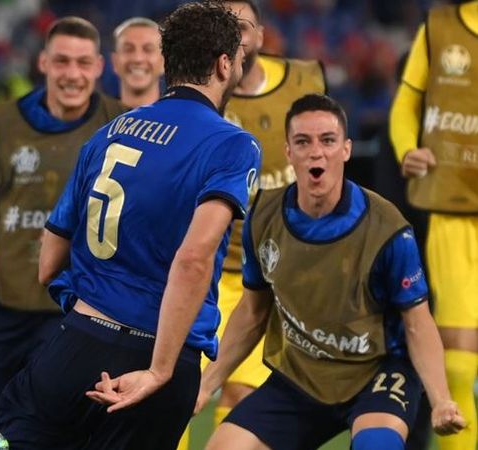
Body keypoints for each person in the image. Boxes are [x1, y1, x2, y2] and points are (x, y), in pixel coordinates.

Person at [0, 3, 258, 449]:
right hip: (153, 355)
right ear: (224, 63)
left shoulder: (113, 130)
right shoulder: (232, 144)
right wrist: (160, 368)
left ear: (168, 63)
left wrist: (85, 310)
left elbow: (49, 261)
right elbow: (193, 258)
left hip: (73, 342)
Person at [199, 94, 466, 450]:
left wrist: (441, 399)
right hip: (300, 376)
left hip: (376, 375)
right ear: (288, 152)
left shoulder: (387, 229)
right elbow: (252, 312)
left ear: (346, 149)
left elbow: (417, 323)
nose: (316, 152)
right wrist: (205, 386)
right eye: (303, 142)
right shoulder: (262, 214)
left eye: (327, 140)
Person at [0, 16, 126, 447]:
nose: (72, 74)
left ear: (99, 67)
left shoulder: (123, 124)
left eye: (83, 63)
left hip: (79, 309)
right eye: (62, 61)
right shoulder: (1, 123)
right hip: (3, 303)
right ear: (43, 62)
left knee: (65, 426)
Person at [195, 0, 327, 431]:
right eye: (226, 26)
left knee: (240, 395)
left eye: (244, 27)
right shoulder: (199, 98)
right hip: (204, 272)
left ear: (261, 36)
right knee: (179, 391)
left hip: (266, 277)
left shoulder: (305, 79)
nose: (236, 35)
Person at [389, 2, 478, 449]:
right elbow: (406, 101)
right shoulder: (440, 25)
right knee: (460, 364)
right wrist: (408, 149)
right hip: (455, 211)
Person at [111, 17, 164, 108]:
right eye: (128, 49)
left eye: (148, 49)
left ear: (164, 62)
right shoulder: (98, 121)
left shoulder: (181, 119)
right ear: (115, 61)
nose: (138, 59)